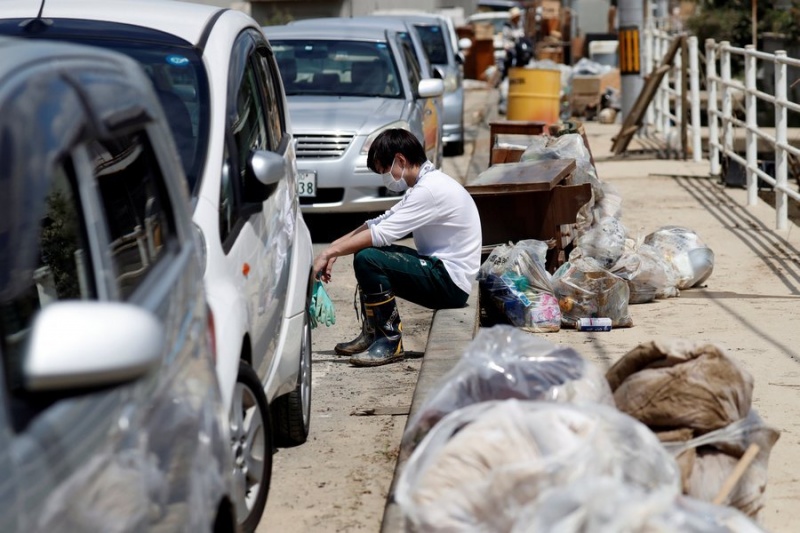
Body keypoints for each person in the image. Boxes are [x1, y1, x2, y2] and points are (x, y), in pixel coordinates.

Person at [313, 129, 482, 367]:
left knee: (369, 258)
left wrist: (330, 253)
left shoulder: (429, 191)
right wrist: (333, 247)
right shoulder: (424, 185)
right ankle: (373, 334)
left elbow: (382, 234)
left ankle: (389, 341)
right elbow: (379, 222)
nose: (385, 177)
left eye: (385, 170)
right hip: (443, 272)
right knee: (365, 254)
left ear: (400, 160)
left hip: (450, 283)